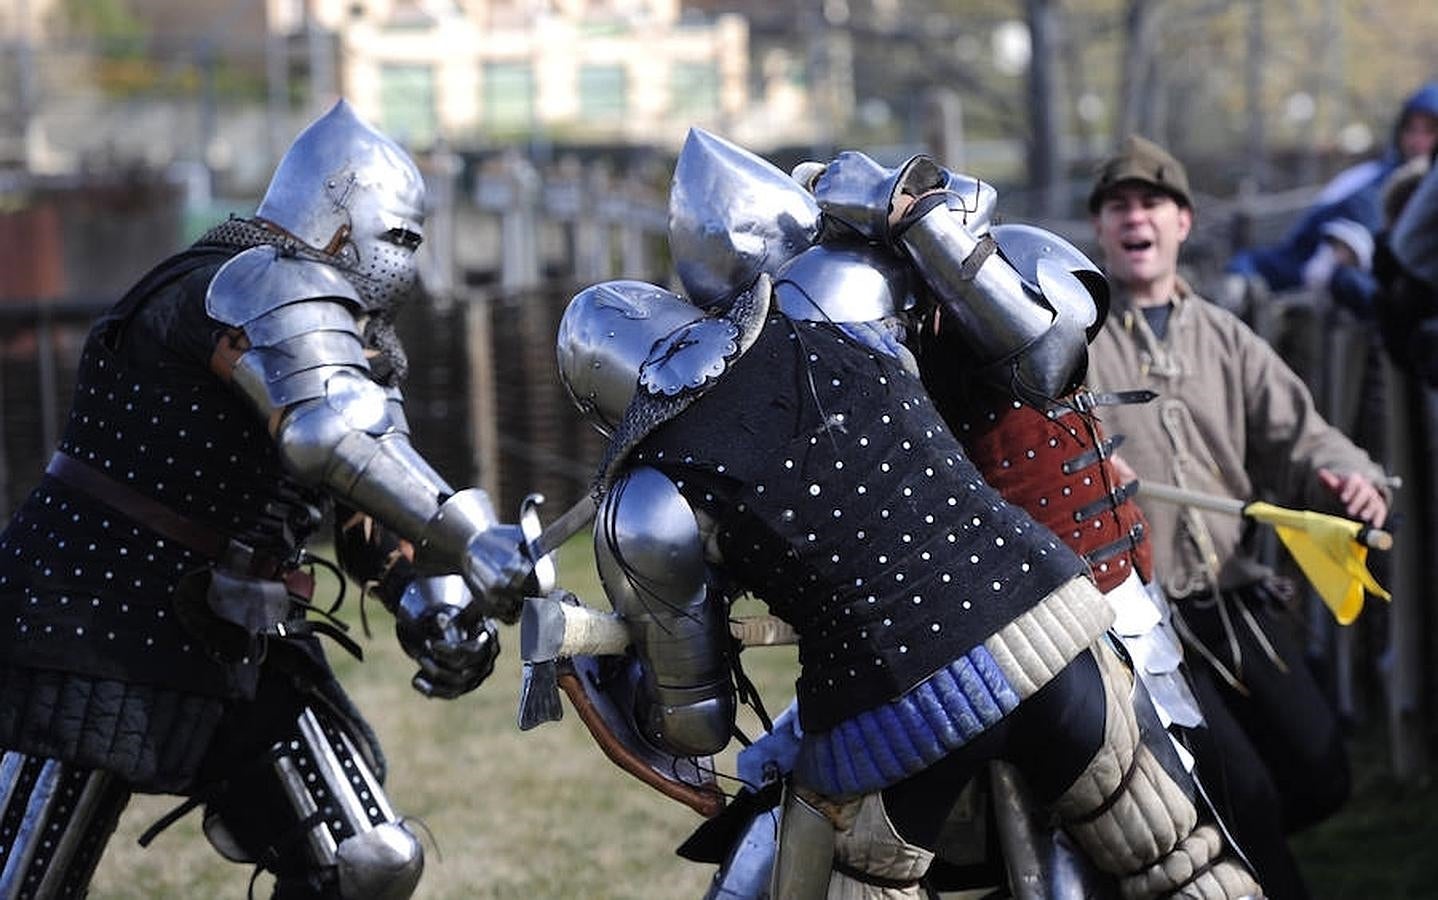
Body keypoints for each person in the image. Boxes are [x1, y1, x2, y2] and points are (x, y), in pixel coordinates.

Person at [554, 130, 1262, 898]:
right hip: (1056, 623)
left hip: (899, 705)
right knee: (1178, 865)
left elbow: (697, 727)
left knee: (830, 871)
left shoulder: (648, 497)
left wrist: (622, 675)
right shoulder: (843, 306)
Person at [0, 100, 530, 897]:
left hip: (230, 622)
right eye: (399, 238)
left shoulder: (348, 337)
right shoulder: (258, 281)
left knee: (368, 860)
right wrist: (471, 536)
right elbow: (329, 436)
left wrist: (430, 600)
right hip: (95, 609)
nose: (406, 262)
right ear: (340, 225)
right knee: (24, 879)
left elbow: (368, 498)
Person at [1084, 134, 1391, 860]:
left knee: (1321, 779)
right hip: (1137, 626)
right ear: (1099, 228)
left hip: (1235, 598)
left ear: (1181, 222)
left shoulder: (1227, 337)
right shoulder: (1073, 342)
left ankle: (1208, 859)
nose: (1136, 218)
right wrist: (1093, 472)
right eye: (1118, 206)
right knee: (1243, 799)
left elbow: (1304, 438)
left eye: (1152, 203)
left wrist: (1350, 477)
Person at [1227, 81, 1438, 297]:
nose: (1417, 141)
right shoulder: (1364, 183)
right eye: (1411, 130)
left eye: (1429, 131)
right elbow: (1300, 249)